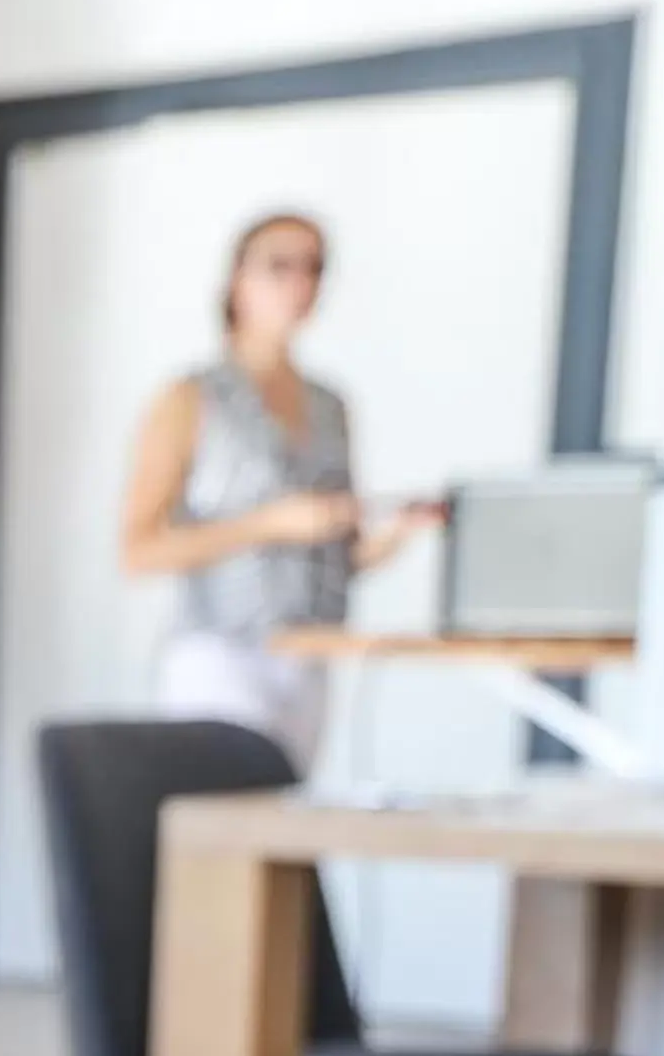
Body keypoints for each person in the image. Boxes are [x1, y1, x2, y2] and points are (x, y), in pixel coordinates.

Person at [119, 211, 443, 766]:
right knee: (222, 835)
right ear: (236, 280)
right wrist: (267, 524)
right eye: (279, 266)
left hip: (311, 657)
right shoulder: (190, 399)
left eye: (314, 268)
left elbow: (340, 558)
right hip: (223, 658)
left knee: (283, 832)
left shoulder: (330, 406)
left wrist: (397, 535)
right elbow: (138, 550)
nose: (299, 284)